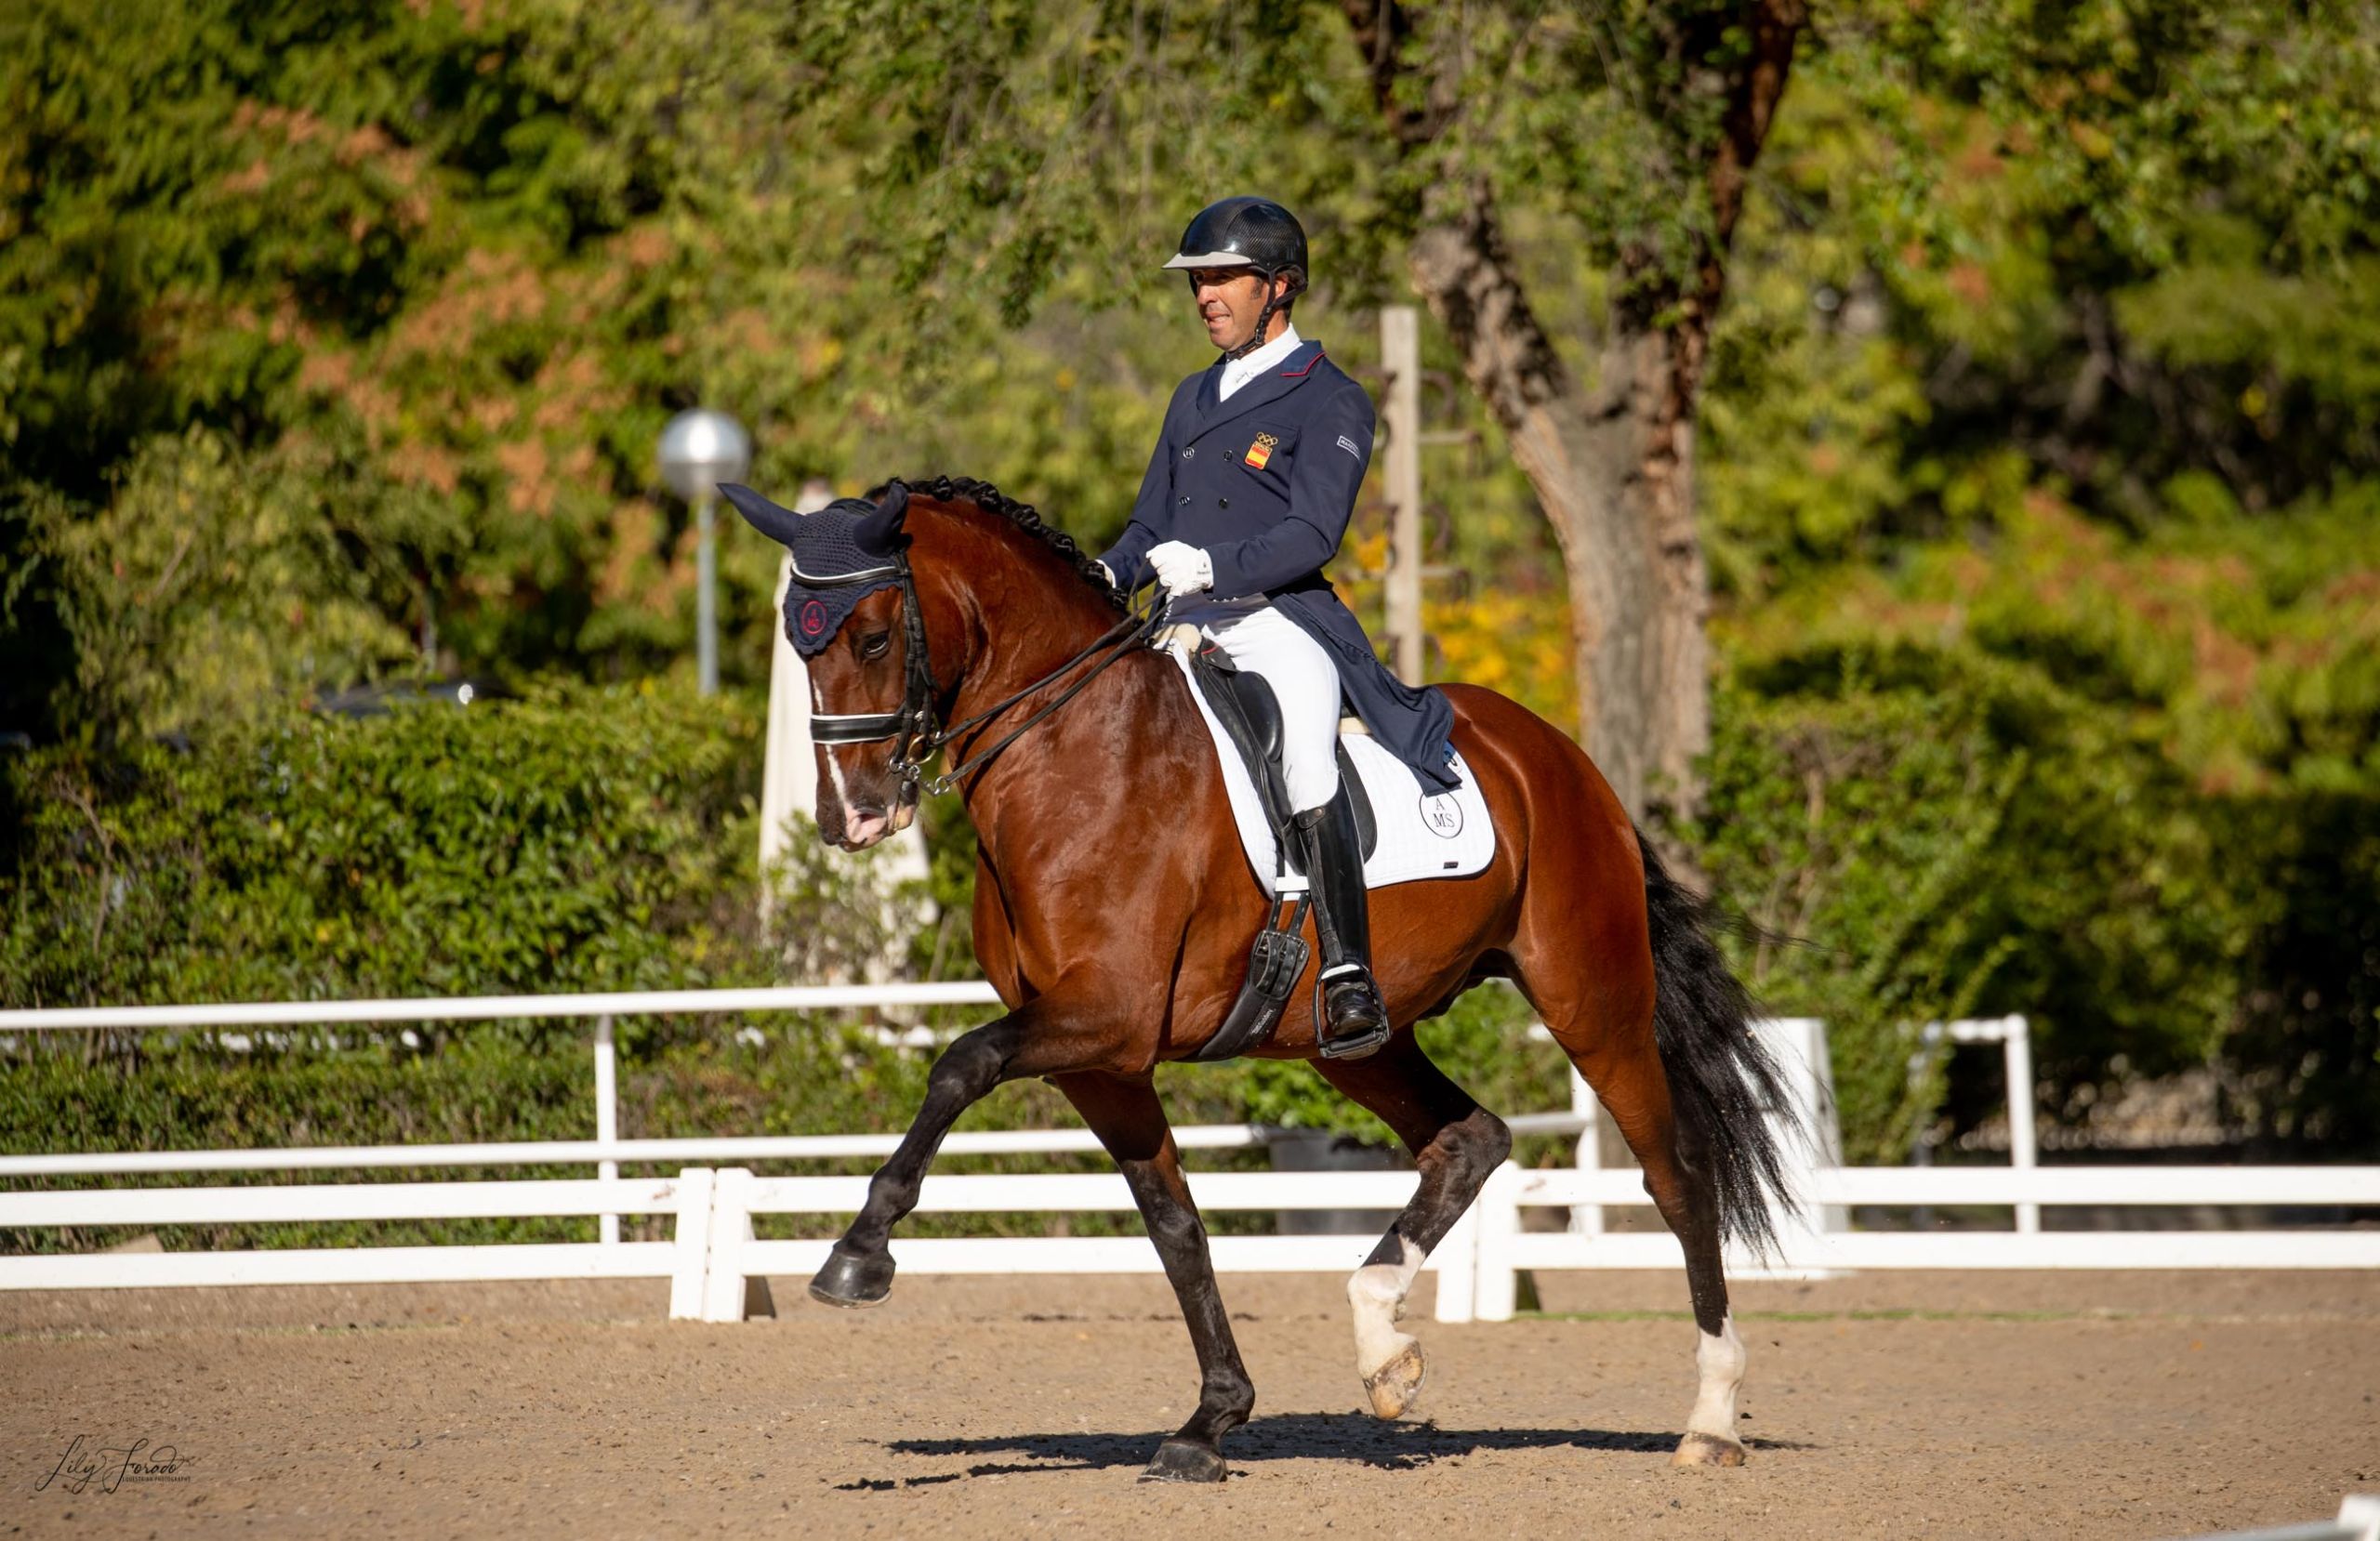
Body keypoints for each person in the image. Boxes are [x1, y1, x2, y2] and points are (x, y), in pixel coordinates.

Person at [1096, 195, 1458, 1062]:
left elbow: (1312, 535)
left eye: (1222, 279)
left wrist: (1216, 568)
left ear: (1279, 287)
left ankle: (1347, 972)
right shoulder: (1192, 396)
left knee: (1303, 751)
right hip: (1179, 620)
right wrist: (1109, 571)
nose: (1205, 297)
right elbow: (1151, 524)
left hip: (1275, 618)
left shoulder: (1331, 399)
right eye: (1199, 282)